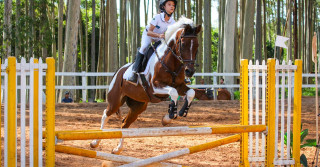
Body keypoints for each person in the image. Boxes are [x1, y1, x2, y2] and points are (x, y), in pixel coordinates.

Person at [128, 0, 177, 85]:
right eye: (169, 4)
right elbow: (149, 32)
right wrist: (158, 35)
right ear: (163, 7)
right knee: (144, 47)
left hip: (160, 38)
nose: (172, 6)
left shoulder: (173, 22)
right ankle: (134, 72)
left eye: (173, 5)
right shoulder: (157, 17)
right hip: (149, 35)